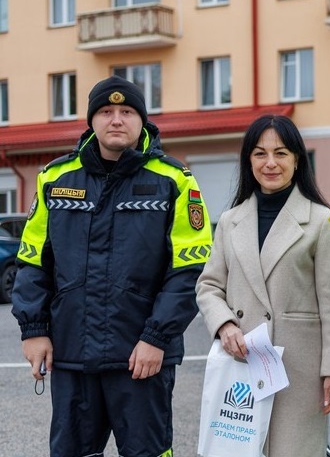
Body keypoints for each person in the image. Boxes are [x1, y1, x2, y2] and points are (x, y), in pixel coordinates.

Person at [12, 76, 213, 457]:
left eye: (126, 111)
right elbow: (33, 261)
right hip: (72, 353)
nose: (116, 119)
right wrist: (33, 330)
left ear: (142, 120)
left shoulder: (174, 180)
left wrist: (156, 337)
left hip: (142, 358)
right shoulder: (55, 178)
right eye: (106, 111)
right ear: (91, 120)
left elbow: (189, 271)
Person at [195, 114, 330, 457]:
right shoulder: (230, 221)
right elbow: (208, 286)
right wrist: (224, 325)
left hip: (300, 371)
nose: (270, 163)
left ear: (297, 160)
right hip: (242, 363)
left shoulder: (323, 222)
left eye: (280, 153)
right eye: (260, 153)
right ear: (248, 160)